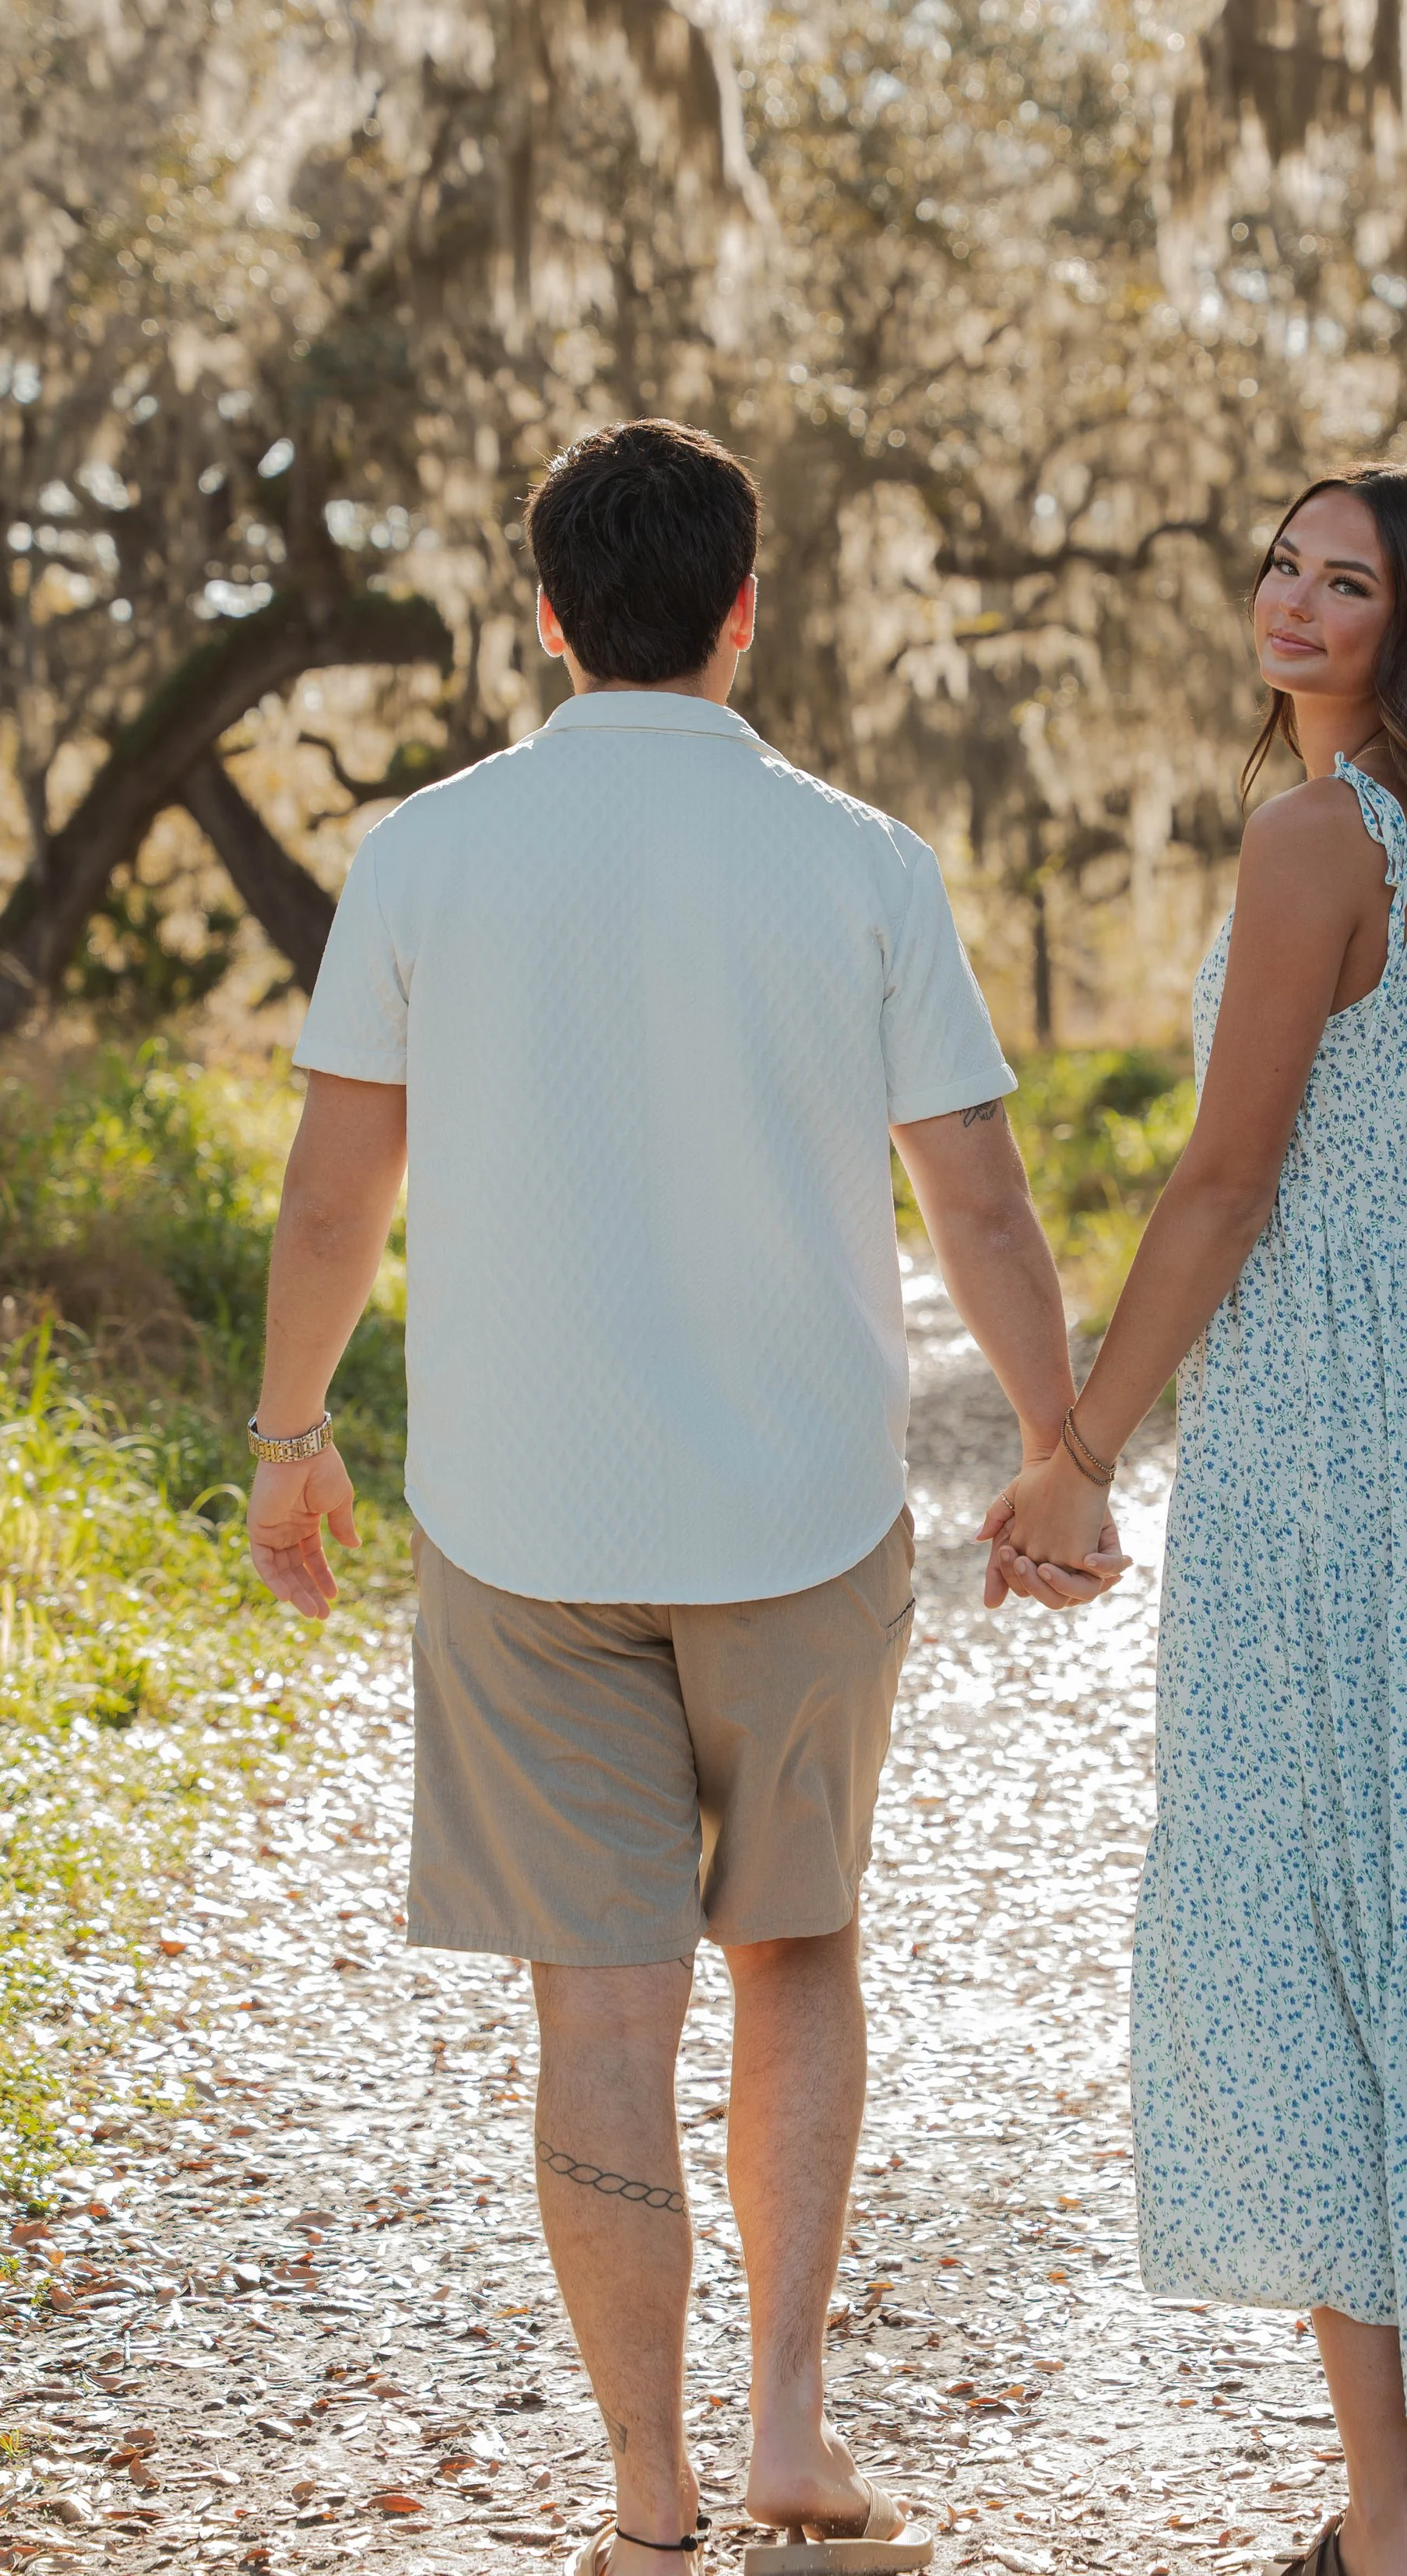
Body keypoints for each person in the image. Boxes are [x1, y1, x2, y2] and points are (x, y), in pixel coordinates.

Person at [244, 417, 1117, 2576]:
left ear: (543, 615)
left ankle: (643, 2494)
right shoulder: (858, 862)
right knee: (795, 1952)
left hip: (520, 1517)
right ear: (747, 606)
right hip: (800, 1511)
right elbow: (982, 1203)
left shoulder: (426, 854)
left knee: (601, 2002)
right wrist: (1059, 1445)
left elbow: (337, 1190)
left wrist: (287, 1435)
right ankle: (789, 2425)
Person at [986, 466, 1407, 2576]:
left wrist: (1073, 1448)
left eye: (1349, 583)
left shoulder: (1314, 838)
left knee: (1314, 1909)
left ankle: (1380, 2525)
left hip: (1332, 1435)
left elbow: (1225, 1181)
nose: (1295, 601)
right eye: (1282, 564)